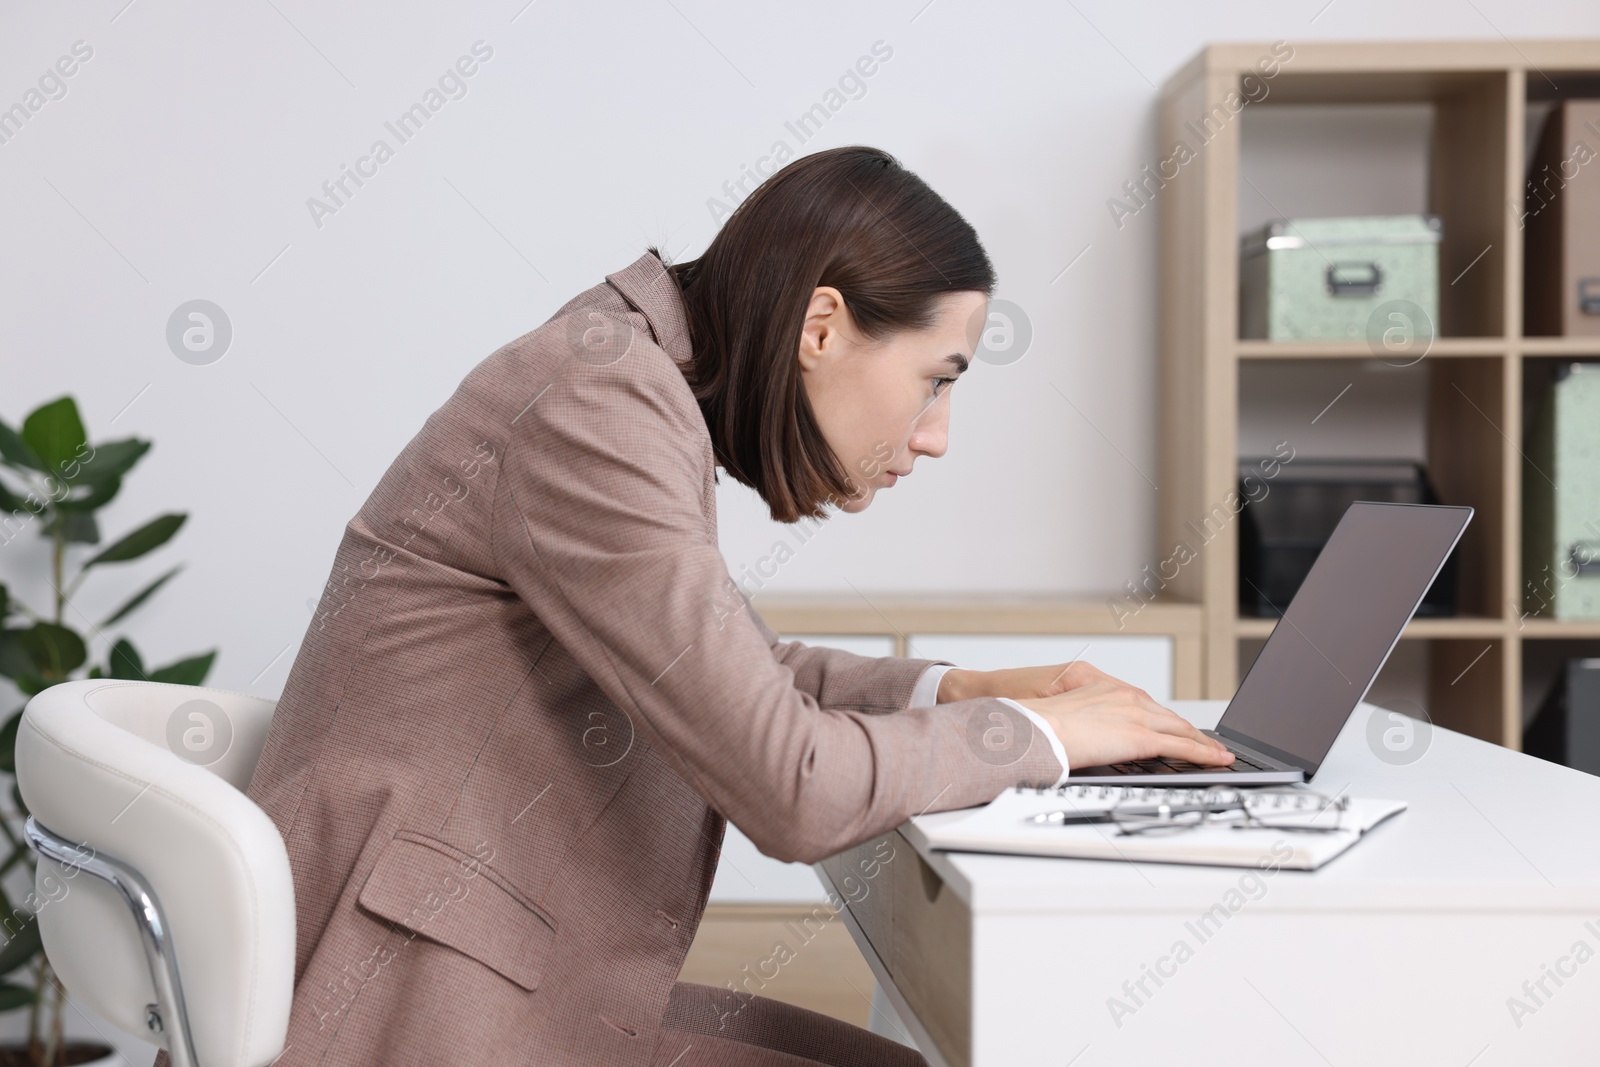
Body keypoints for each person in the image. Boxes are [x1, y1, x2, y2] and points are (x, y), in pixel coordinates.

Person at [208, 144, 1232, 1067]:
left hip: (476, 963)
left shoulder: (625, 379)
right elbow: (791, 784)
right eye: (934, 380)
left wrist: (955, 686)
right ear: (823, 325)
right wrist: (1035, 736)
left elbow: (725, 666)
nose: (935, 436)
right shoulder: (596, 402)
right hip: (405, 1006)